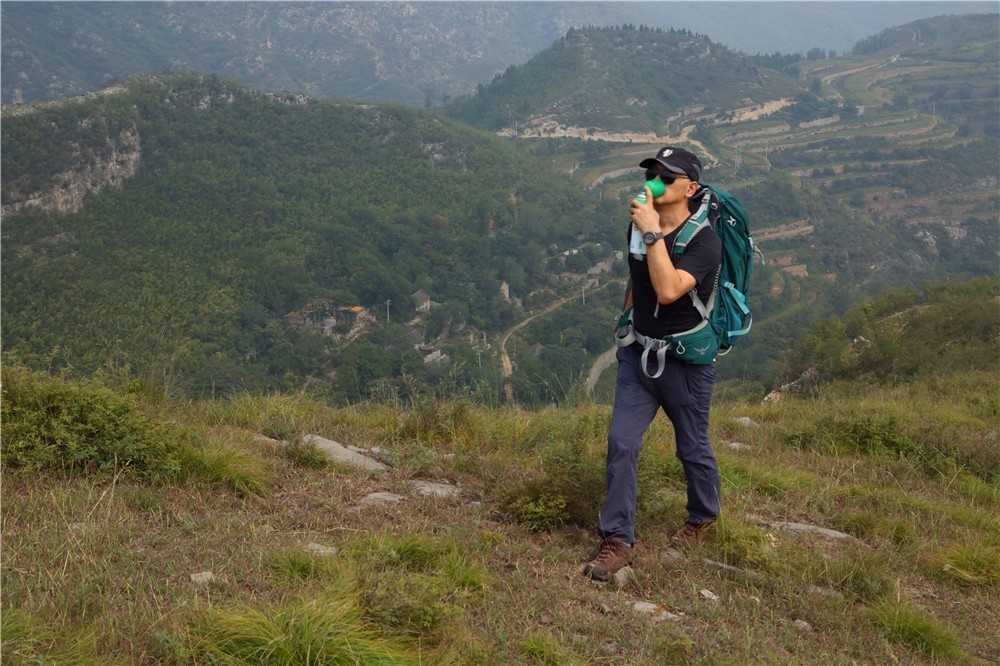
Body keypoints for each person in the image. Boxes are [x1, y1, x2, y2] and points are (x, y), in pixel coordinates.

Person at [583, 146, 722, 582]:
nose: (656, 179)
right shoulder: (638, 224)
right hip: (639, 355)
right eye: (653, 172)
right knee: (621, 442)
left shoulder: (705, 241)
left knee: (692, 446)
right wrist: (626, 320)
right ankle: (618, 540)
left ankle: (702, 519)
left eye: (667, 174)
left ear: (690, 187)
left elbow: (667, 291)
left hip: (685, 362)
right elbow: (638, 278)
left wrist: (650, 232)